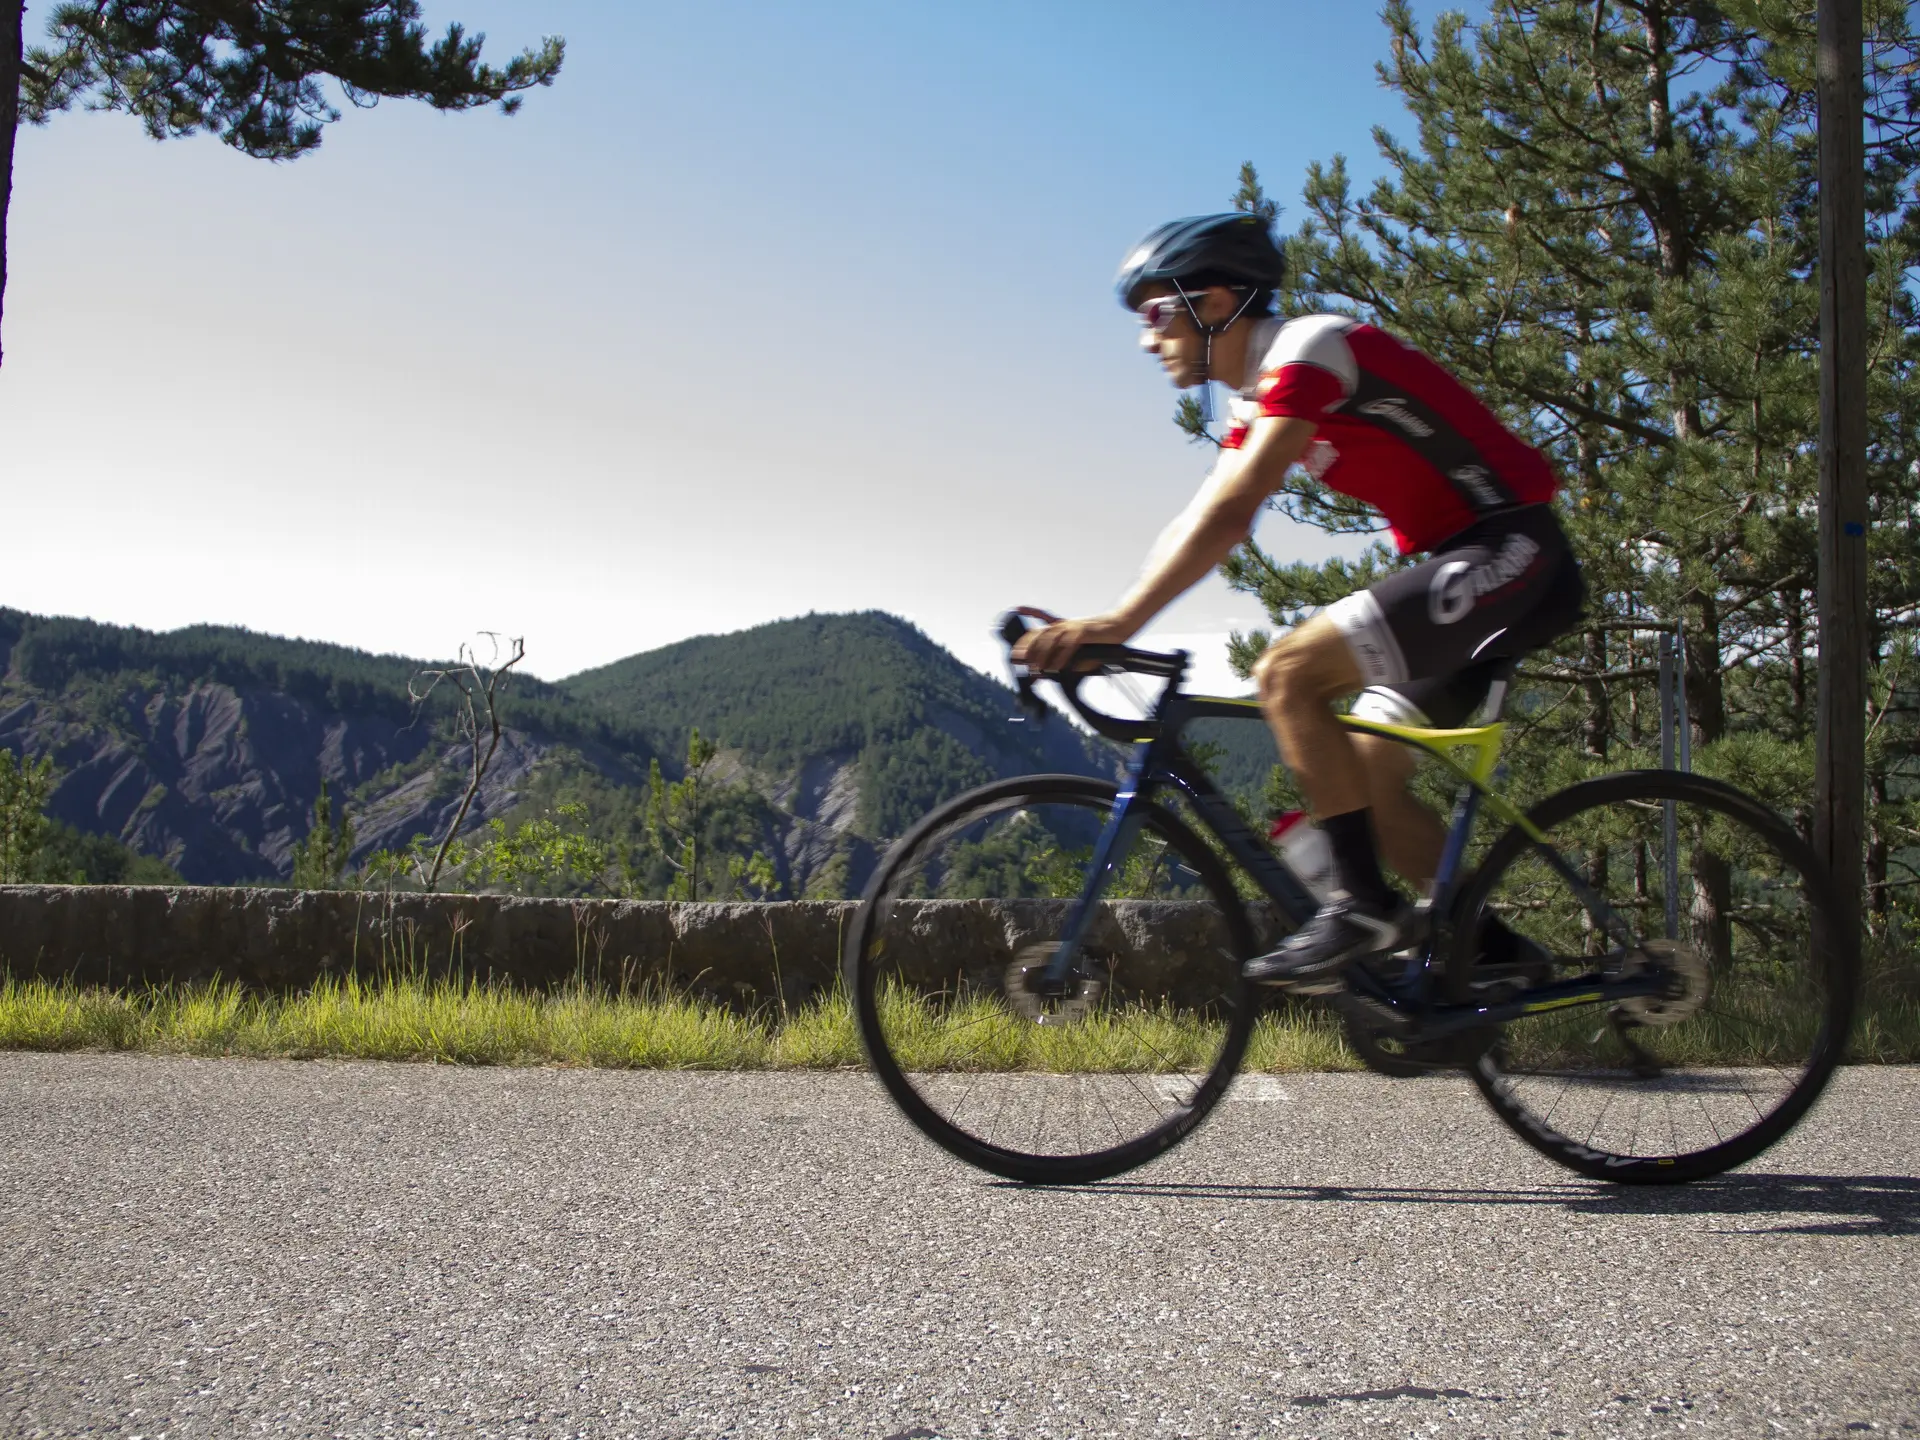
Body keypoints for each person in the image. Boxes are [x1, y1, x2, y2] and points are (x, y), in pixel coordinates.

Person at [1014, 213, 1584, 994]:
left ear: (1214, 302)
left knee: (1286, 674)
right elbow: (1200, 518)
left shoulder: (1309, 350)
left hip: (1510, 548)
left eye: (1156, 314)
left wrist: (1117, 625)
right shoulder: (1256, 400)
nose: (1148, 341)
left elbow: (1233, 513)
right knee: (1371, 793)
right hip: (1465, 566)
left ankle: (1361, 909)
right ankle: (1494, 956)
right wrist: (1113, 619)